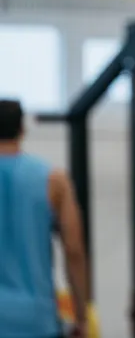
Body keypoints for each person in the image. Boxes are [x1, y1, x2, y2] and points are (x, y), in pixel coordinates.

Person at [0, 99, 90, 338]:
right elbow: (73, 250)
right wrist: (82, 317)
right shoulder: (54, 180)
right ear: (22, 130)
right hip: (36, 321)